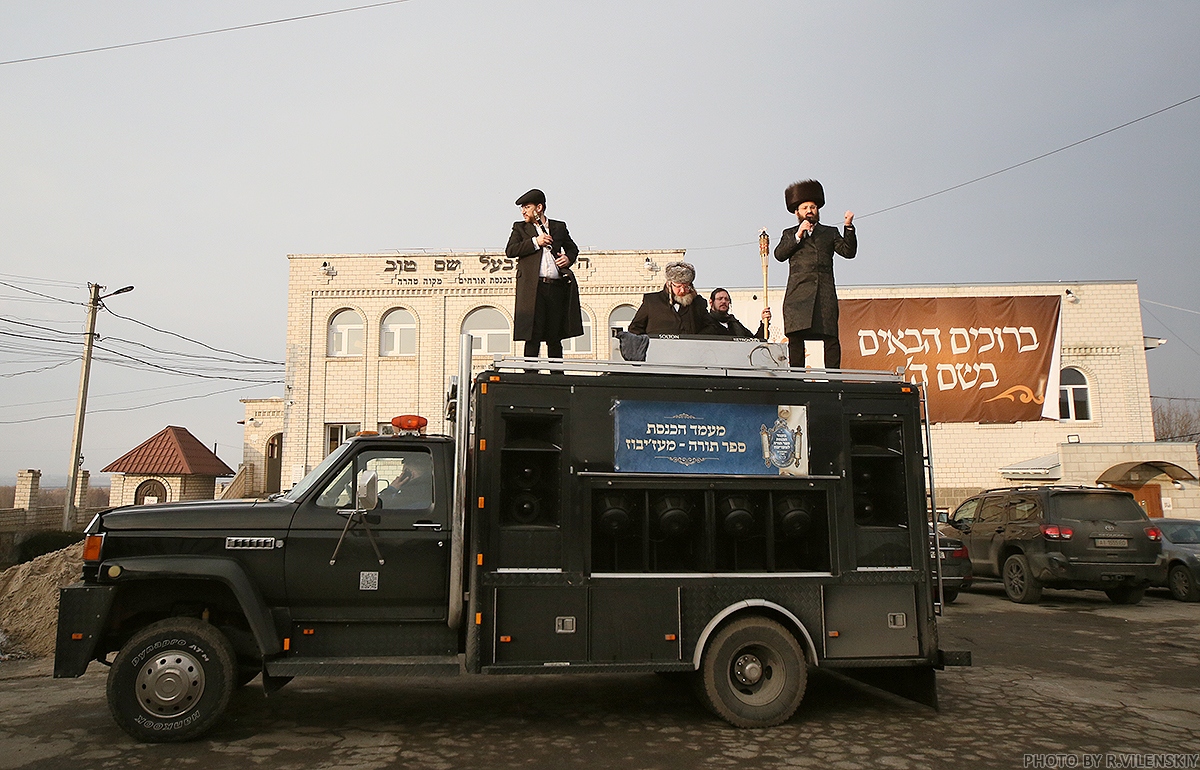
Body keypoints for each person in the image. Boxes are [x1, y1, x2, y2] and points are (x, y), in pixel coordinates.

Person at [773, 179, 856, 368]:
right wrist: (798, 236)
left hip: (824, 294)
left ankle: (834, 383)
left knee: (831, 338)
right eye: (805, 208)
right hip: (797, 295)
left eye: (813, 207)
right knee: (796, 339)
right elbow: (779, 255)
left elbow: (848, 252)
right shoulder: (789, 233)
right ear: (797, 212)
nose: (809, 210)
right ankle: (798, 381)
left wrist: (848, 227)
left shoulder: (829, 232)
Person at [505, 189, 583, 358]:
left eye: (527, 207)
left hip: (555, 287)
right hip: (533, 288)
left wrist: (568, 259)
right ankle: (530, 376)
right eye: (522, 208)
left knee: (555, 335)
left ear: (539, 208)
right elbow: (510, 250)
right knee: (533, 334)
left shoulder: (558, 227)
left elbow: (572, 248)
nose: (523, 211)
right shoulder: (520, 228)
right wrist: (535, 242)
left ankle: (557, 376)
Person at [627, 261, 714, 336]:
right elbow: (635, 328)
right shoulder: (652, 301)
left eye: (687, 286)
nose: (683, 290)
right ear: (669, 284)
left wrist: (695, 340)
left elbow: (711, 327)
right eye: (678, 286)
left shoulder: (697, 303)